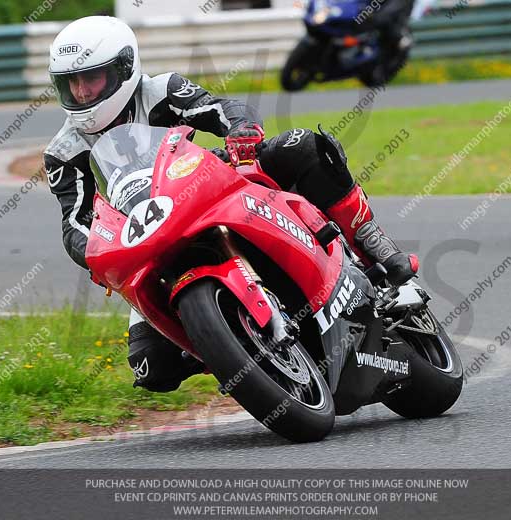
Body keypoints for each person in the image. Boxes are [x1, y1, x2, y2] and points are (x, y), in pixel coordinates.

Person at [45, 16, 417, 392]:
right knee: (151, 366)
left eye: (90, 79)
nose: (82, 93)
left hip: (204, 186)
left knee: (302, 146)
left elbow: (221, 109)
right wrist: (96, 253)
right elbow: (75, 223)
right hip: (146, 240)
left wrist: (241, 131)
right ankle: (233, 342)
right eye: (70, 84)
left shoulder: (162, 90)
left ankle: (371, 243)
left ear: (123, 70)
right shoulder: (63, 152)